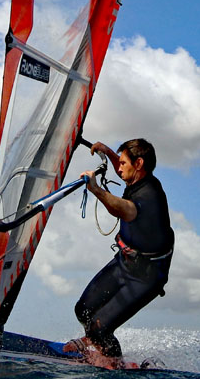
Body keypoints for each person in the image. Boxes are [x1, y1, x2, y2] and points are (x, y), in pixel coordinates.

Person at [69, 137, 173, 365]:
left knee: (100, 328)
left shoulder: (150, 195)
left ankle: (115, 364)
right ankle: (95, 346)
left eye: (123, 163)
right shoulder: (138, 178)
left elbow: (125, 210)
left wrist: (95, 189)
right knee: (83, 310)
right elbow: (124, 171)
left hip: (146, 276)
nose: (119, 167)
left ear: (139, 164)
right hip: (125, 263)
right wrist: (107, 150)